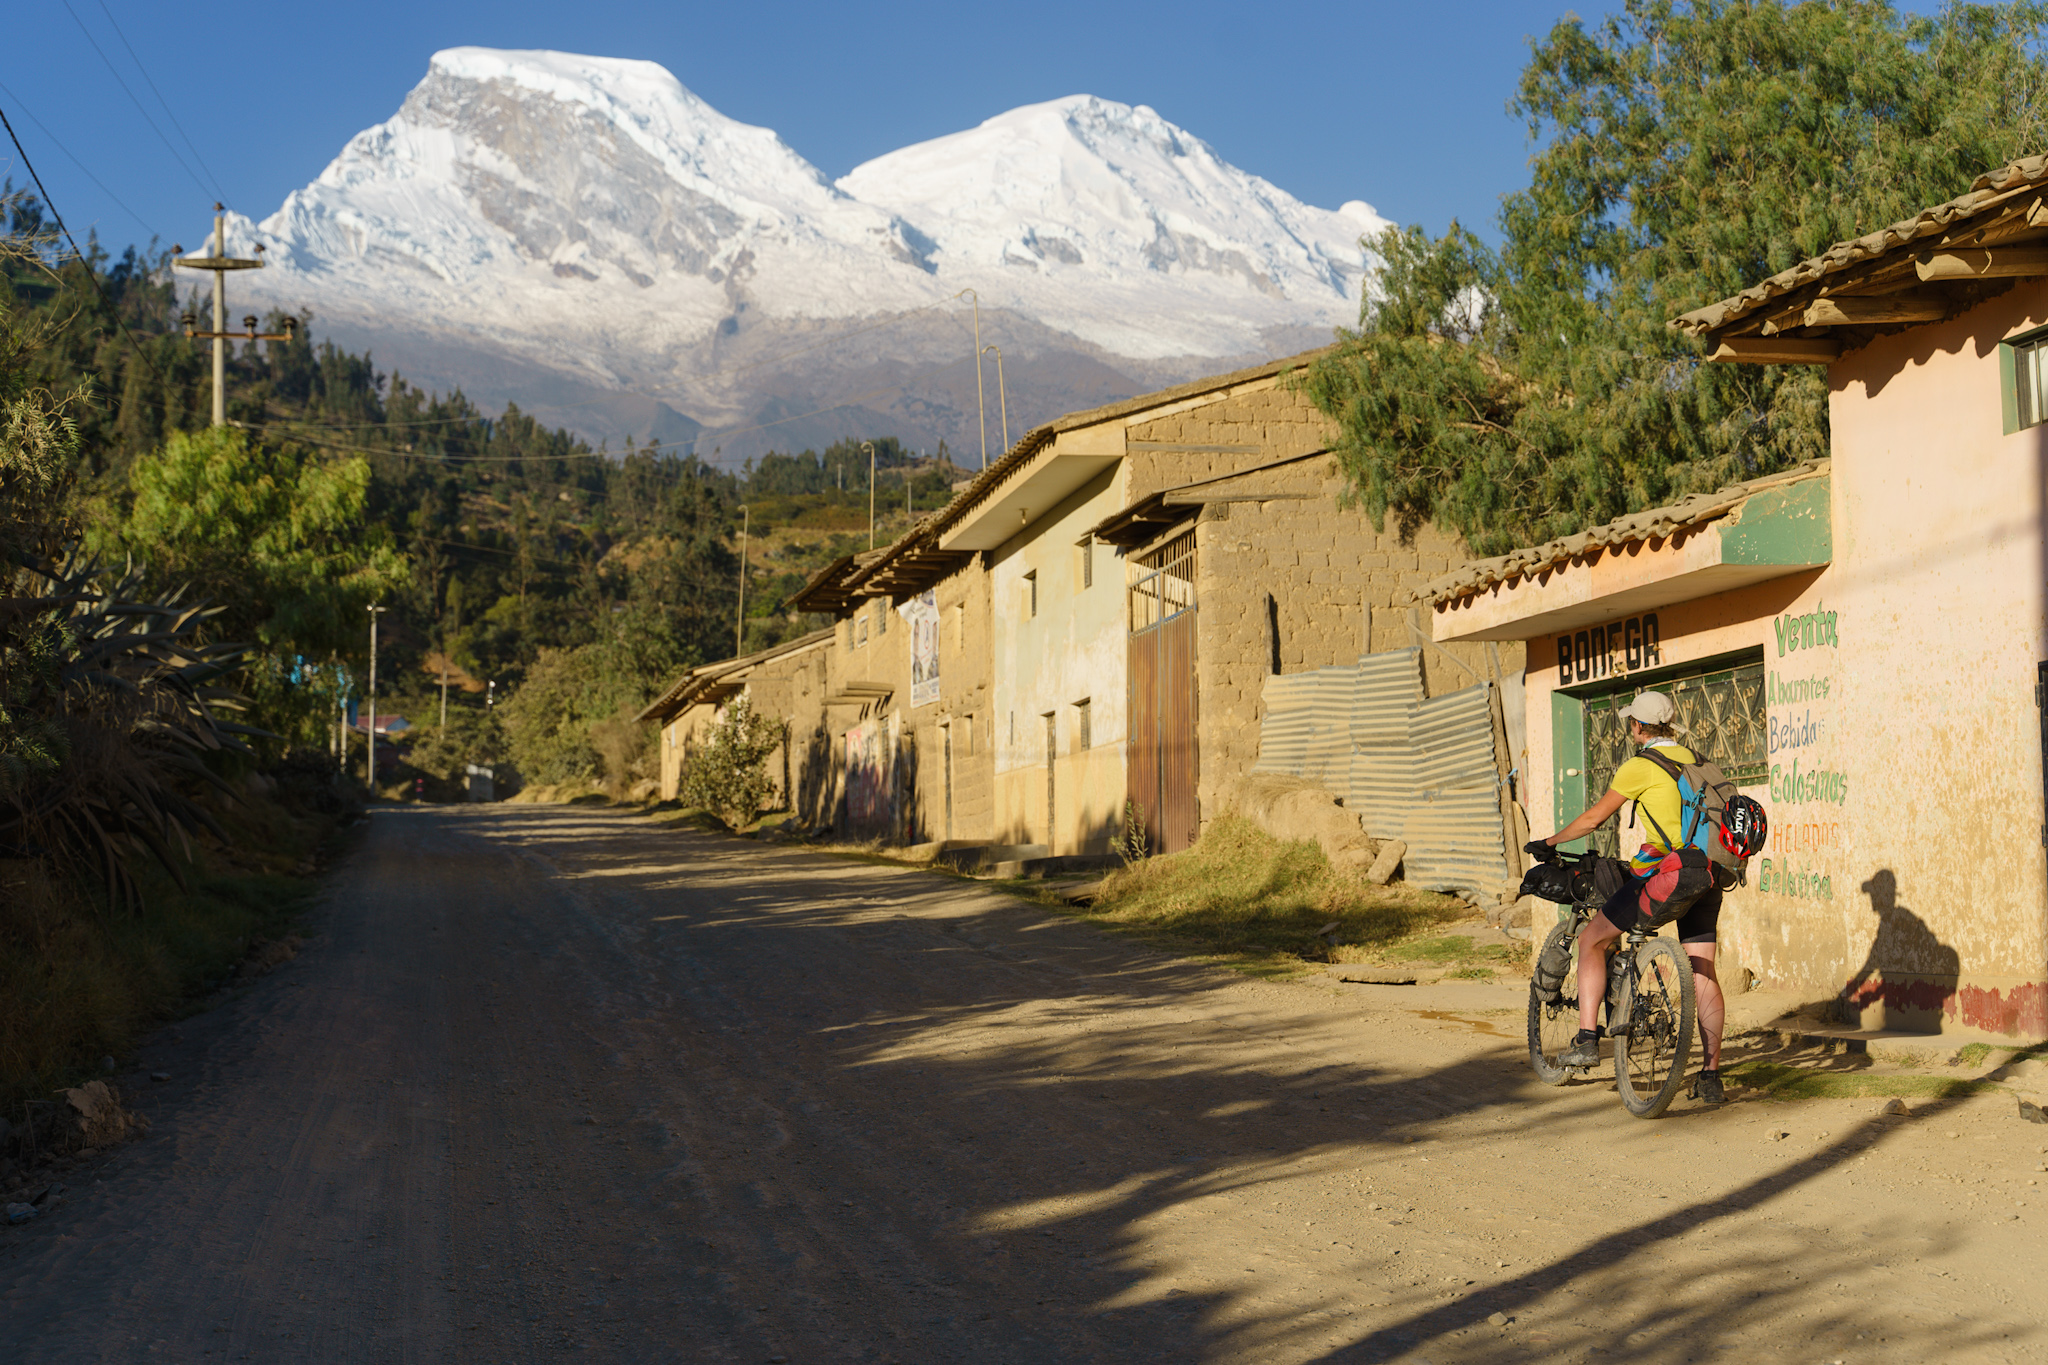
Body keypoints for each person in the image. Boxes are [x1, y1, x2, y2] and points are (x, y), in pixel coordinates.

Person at [1528, 690, 1727, 1105]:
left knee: (1593, 939)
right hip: (1708, 874)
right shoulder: (1700, 763)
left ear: (1637, 726)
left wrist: (1549, 841)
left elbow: (1594, 818)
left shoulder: (1641, 766)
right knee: (1702, 970)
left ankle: (1586, 1038)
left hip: (1669, 874)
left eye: (1630, 724)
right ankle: (1710, 1076)